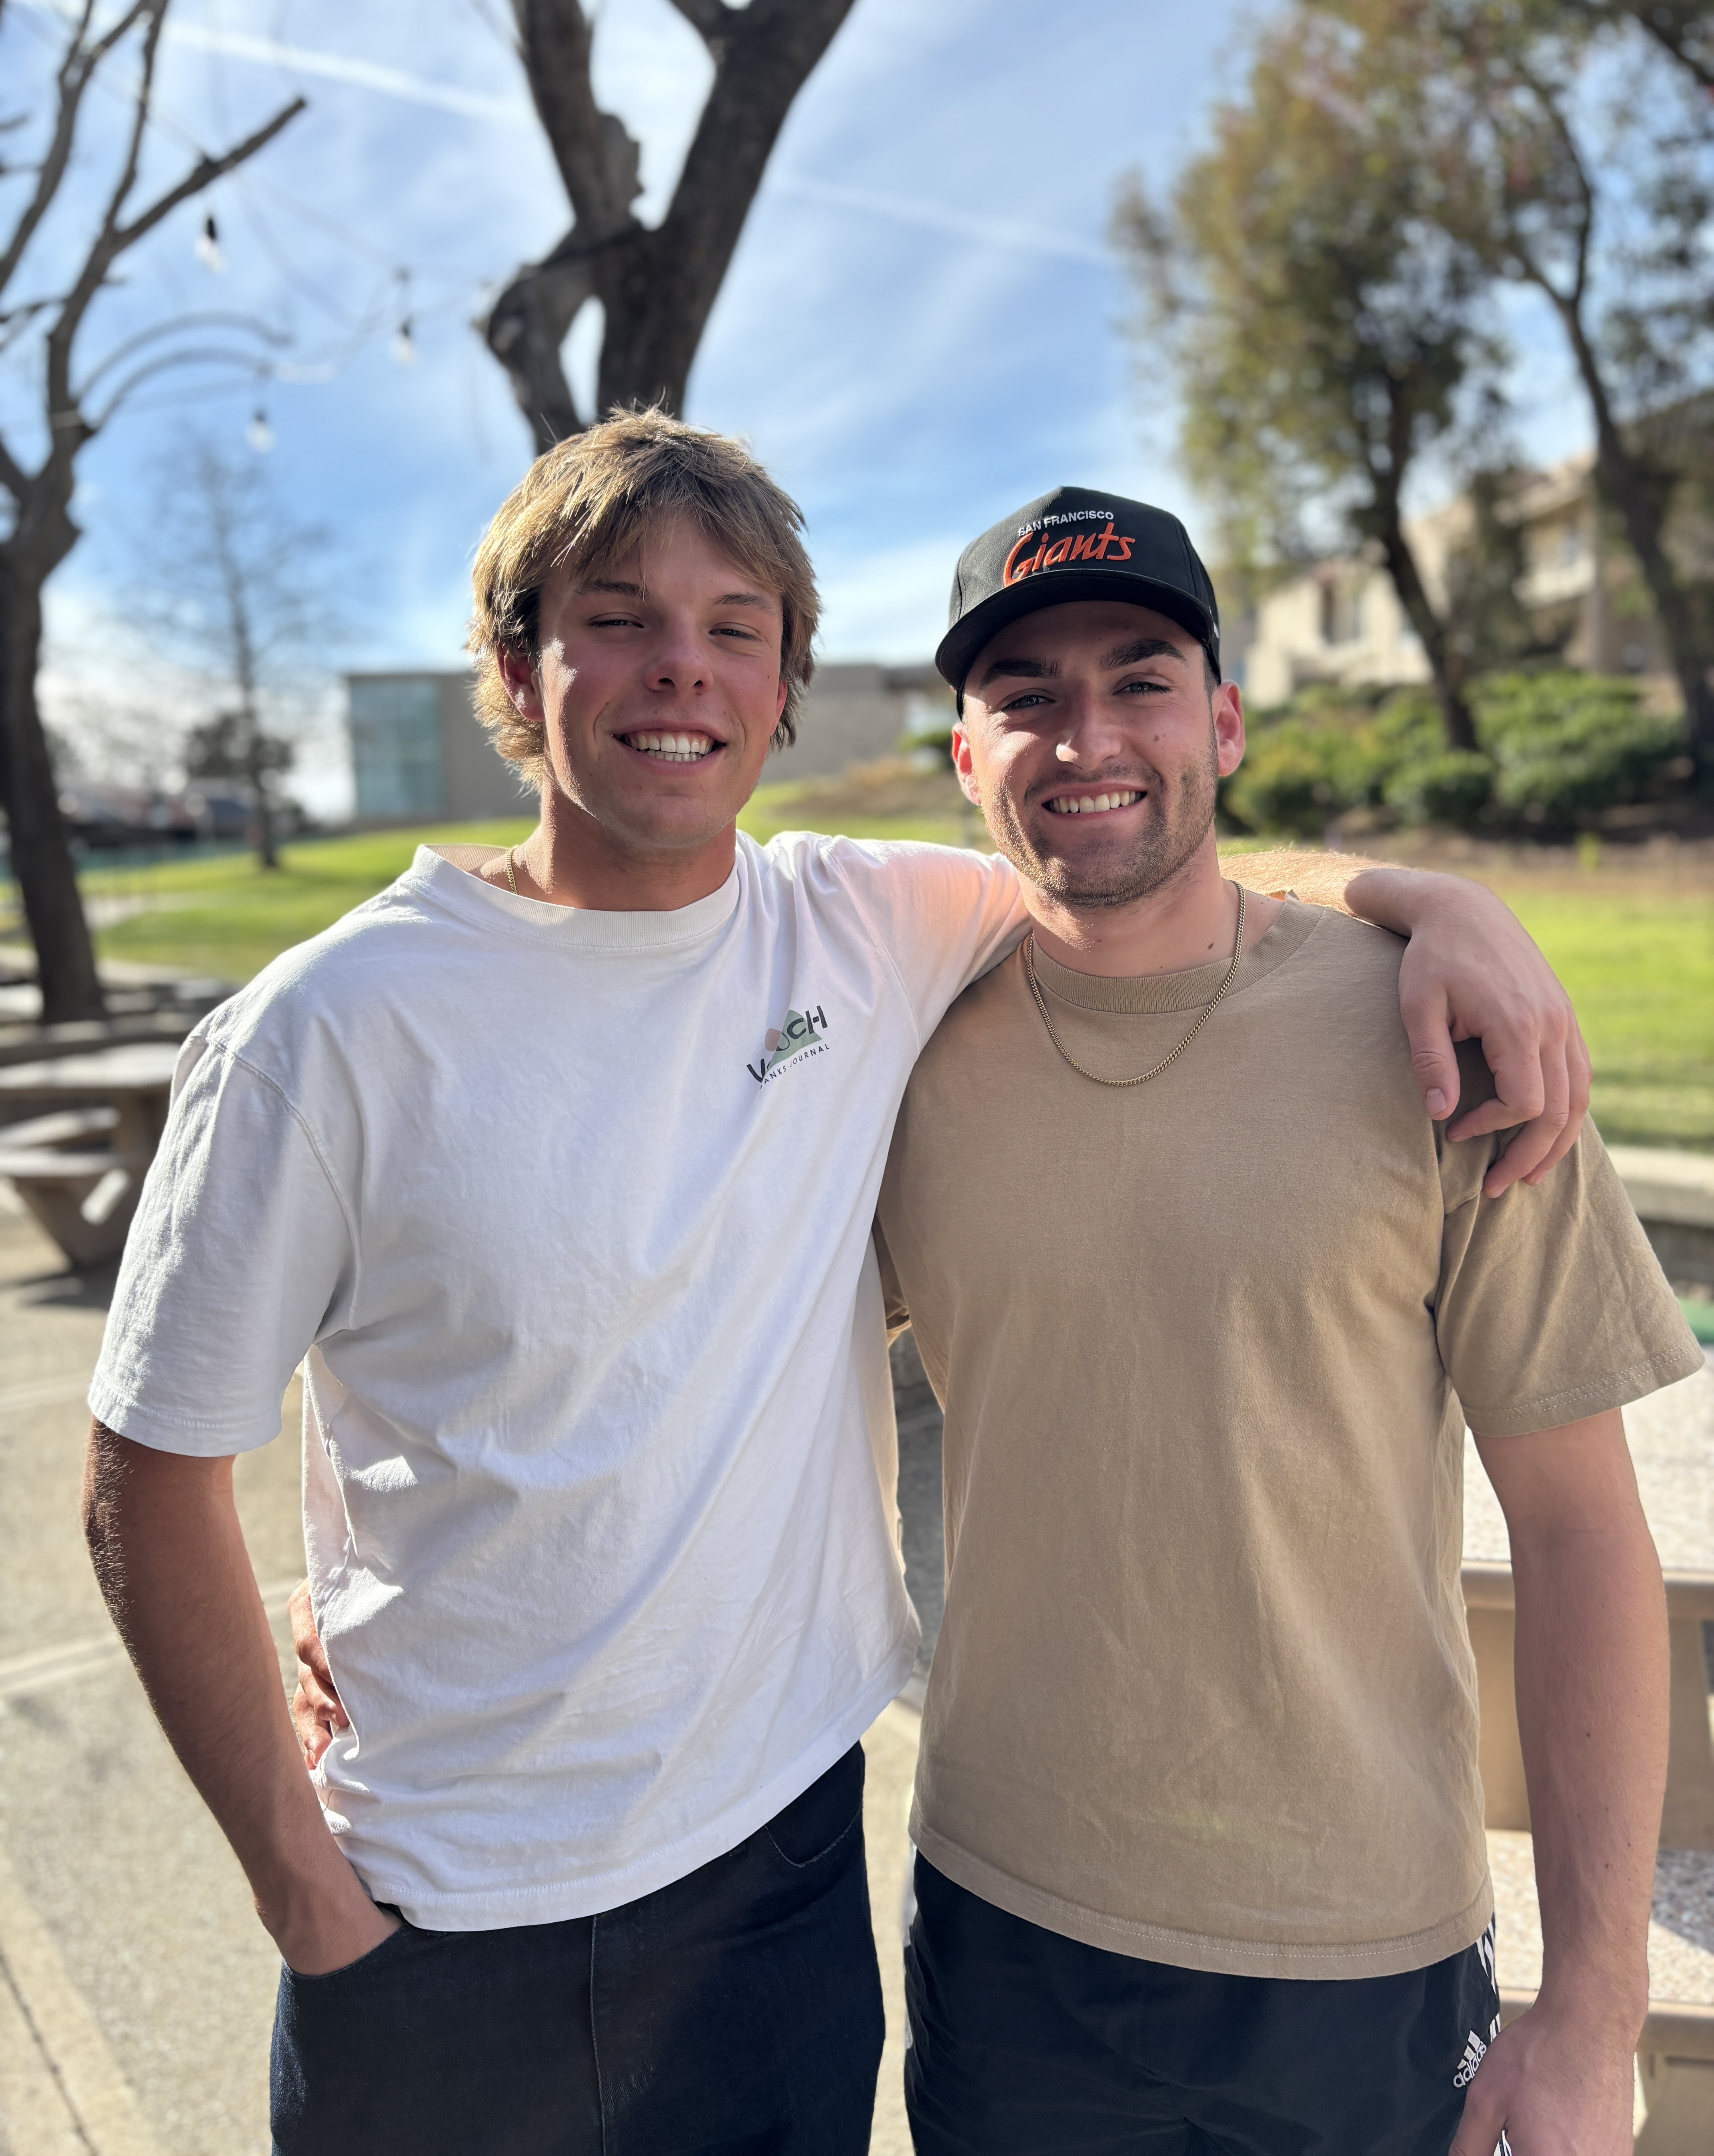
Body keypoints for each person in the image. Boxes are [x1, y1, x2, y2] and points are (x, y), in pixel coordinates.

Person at [83, 417, 1588, 2156]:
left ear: (788, 679)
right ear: (519, 663)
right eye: (619, 617)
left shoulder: (860, 929)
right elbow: (146, 1474)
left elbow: (1135, 860)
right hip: (437, 1917)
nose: (682, 672)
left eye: (736, 627)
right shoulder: (322, 1031)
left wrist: (1432, 897)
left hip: (778, 1895)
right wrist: (306, 1901)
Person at [872, 485, 1702, 2156]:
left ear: (1226, 723)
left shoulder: (1450, 1045)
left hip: (1359, 1956)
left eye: (1141, 678)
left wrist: (1591, 2001)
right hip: (1003, 1925)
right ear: (966, 759)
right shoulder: (893, 1061)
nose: (1084, 734)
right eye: (1023, 693)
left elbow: (1582, 1535)